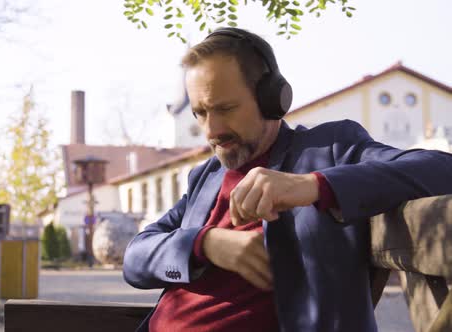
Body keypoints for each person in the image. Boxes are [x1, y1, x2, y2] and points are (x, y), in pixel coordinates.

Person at [122, 27, 452, 332]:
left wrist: (312, 184)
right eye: (201, 113)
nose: (211, 130)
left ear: (273, 98)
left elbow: (441, 168)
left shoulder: (330, 148)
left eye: (226, 108)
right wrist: (207, 244)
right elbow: (136, 257)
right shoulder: (205, 176)